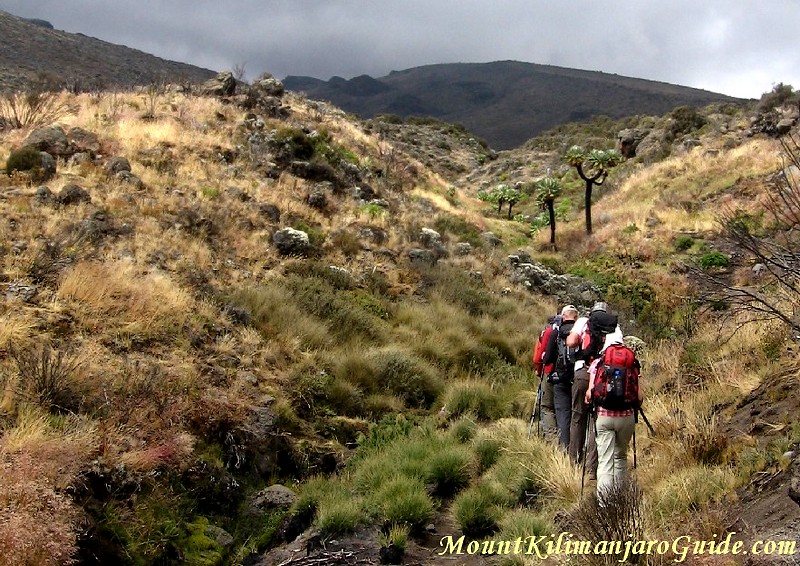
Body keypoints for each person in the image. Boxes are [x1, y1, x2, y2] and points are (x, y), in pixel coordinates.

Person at [585, 328, 642, 497]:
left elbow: (589, 394)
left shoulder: (598, 362)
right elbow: (639, 397)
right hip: (626, 417)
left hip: (604, 416)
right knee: (620, 457)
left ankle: (605, 505)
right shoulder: (633, 362)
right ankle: (620, 499)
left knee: (605, 461)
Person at [566, 301, 617, 478]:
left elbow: (571, 342)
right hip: (603, 377)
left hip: (582, 373)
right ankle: (591, 470)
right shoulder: (614, 327)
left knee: (577, 417)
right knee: (598, 422)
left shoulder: (582, 321)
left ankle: (573, 464)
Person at [542, 304, 578, 449]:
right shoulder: (581, 331)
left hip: (561, 379)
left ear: (563, 316)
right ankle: (578, 448)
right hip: (578, 378)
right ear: (576, 316)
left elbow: (548, 358)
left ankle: (564, 450)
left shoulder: (556, 332)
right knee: (577, 414)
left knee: (563, 414)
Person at [532, 315, 558, 441]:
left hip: (548, 372)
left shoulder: (547, 333)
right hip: (568, 375)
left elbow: (538, 358)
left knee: (547, 406)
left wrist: (539, 371)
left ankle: (551, 440)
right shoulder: (574, 331)